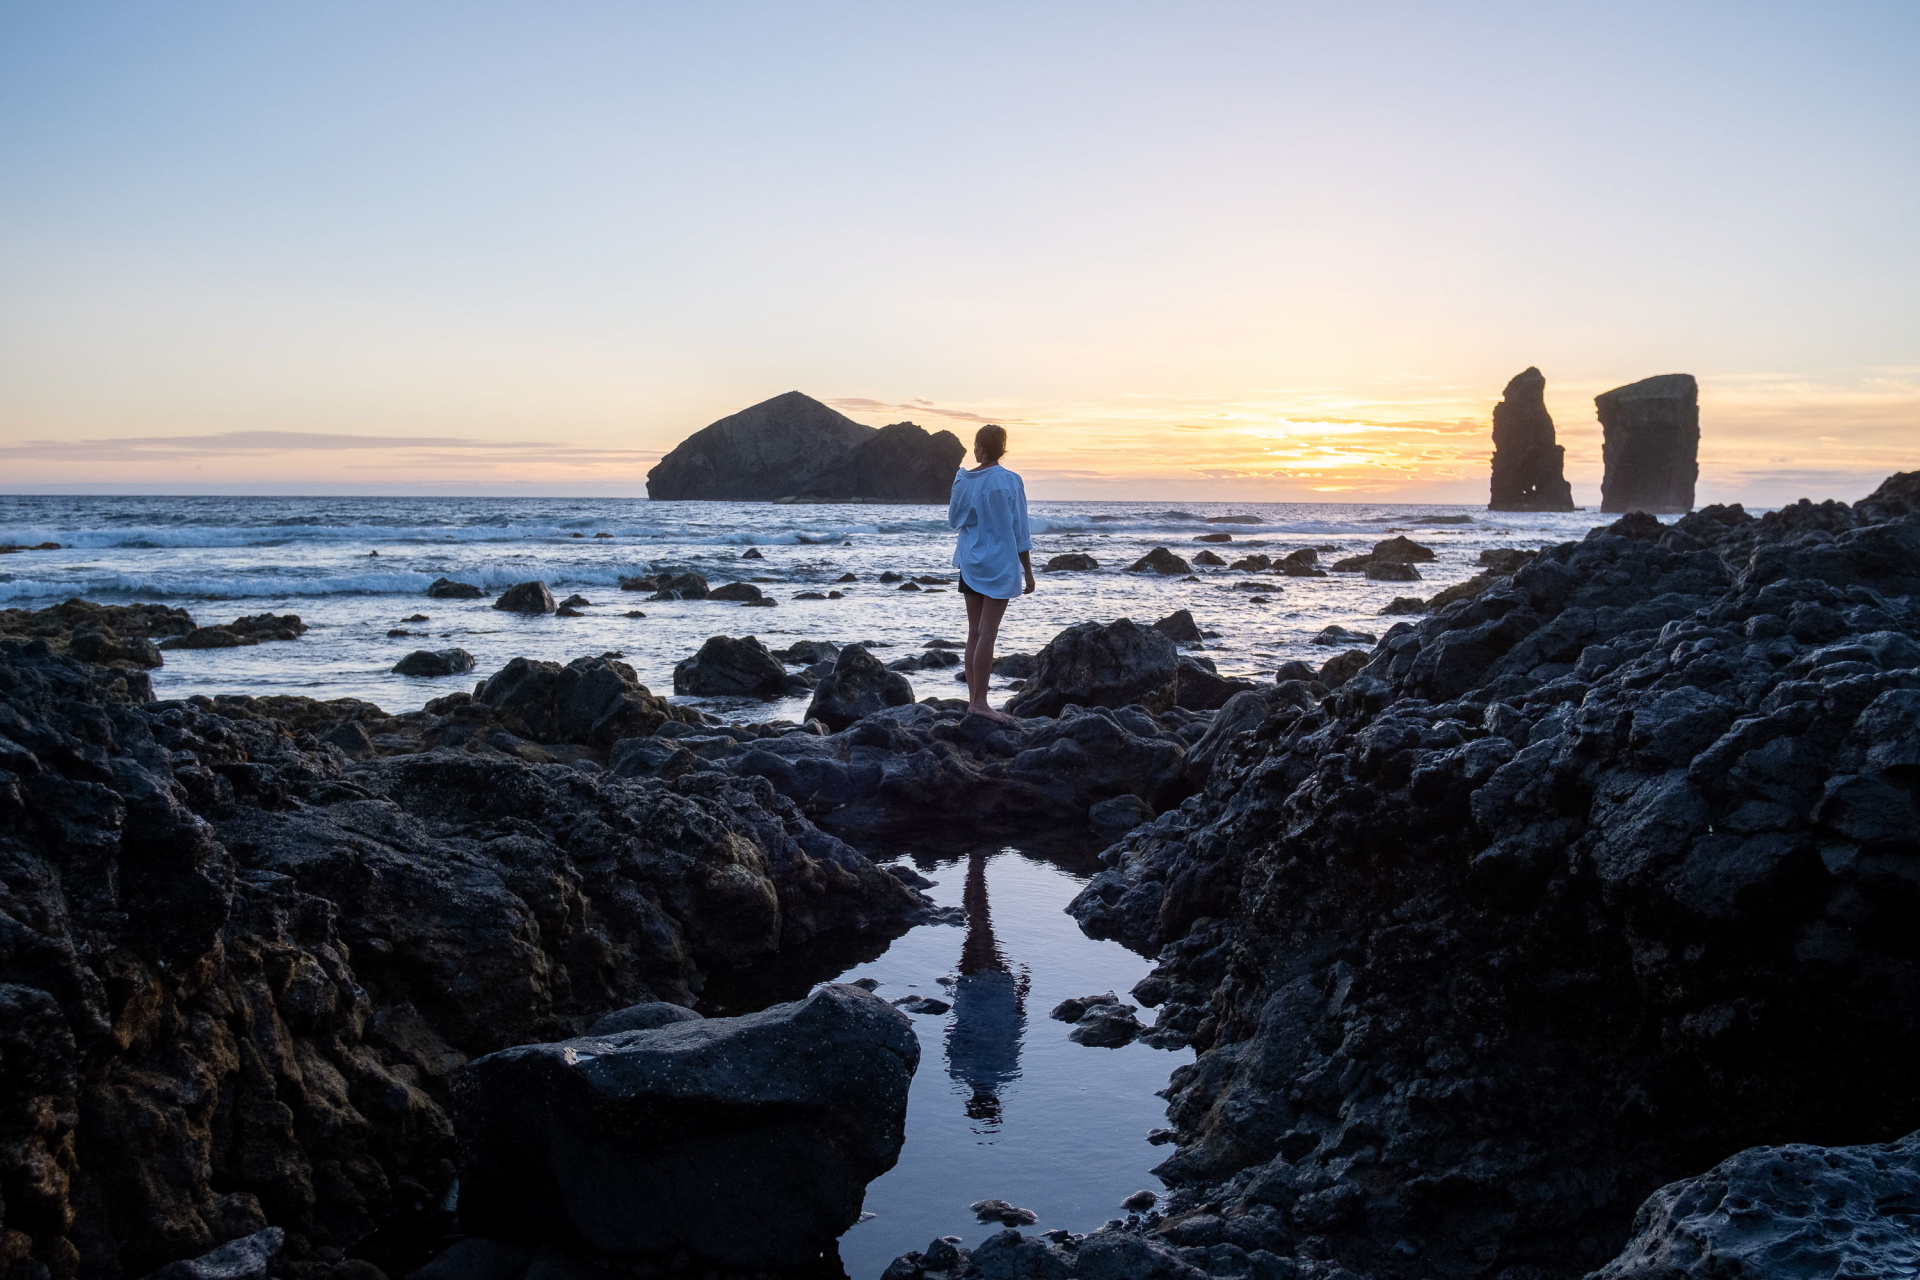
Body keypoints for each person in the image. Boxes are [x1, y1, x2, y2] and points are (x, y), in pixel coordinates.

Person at [949, 424, 1034, 723]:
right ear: (1002, 448)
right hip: (1001, 564)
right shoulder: (1011, 481)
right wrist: (1028, 572)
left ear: (981, 449)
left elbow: (954, 520)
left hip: (971, 563)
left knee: (974, 633)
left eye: (975, 444)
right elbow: (1020, 530)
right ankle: (980, 703)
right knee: (987, 634)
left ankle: (975, 701)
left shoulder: (963, 481)